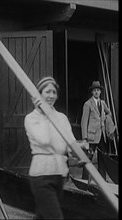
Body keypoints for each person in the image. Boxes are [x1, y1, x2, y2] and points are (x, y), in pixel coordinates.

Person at [24, 76, 85, 219]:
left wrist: (80, 153)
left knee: (43, 216)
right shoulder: (31, 118)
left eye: (54, 92)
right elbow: (44, 140)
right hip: (41, 176)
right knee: (55, 217)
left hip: (59, 174)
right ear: (39, 95)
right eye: (47, 92)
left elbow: (70, 143)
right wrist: (44, 114)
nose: (51, 96)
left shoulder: (62, 118)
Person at [81, 81, 112, 181]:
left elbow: (109, 112)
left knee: (102, 158)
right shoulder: (87, 104)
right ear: (92, 92)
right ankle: (85, 179)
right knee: (88, 158)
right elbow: (84, 121)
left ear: (100, 92)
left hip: (102, 135)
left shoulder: (102, 103)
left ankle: (102, 180)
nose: (96, 92)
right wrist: (84, 137)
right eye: (94, 90)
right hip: (92, 136)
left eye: (98, 90)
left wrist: (106, 118)